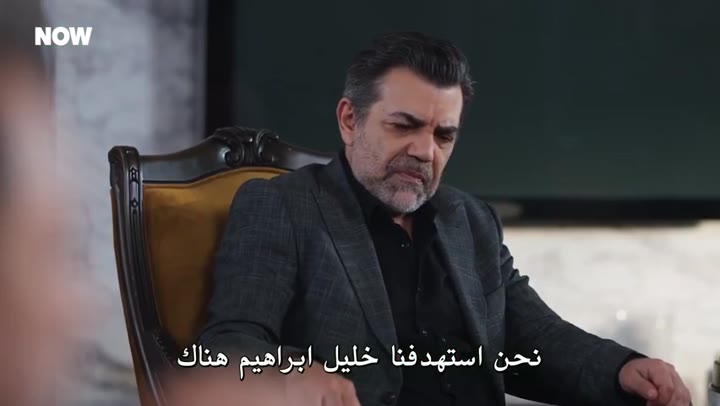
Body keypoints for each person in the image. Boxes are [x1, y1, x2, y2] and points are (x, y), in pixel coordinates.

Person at [198, 32, 692, 406]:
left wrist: (623, 368)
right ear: (350, 120)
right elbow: (230, 345)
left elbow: (535, 337)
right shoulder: (283, 207)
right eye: (404, 126)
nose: (424, 151)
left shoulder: (470, 220)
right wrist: (292, 376)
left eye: (443, 136)